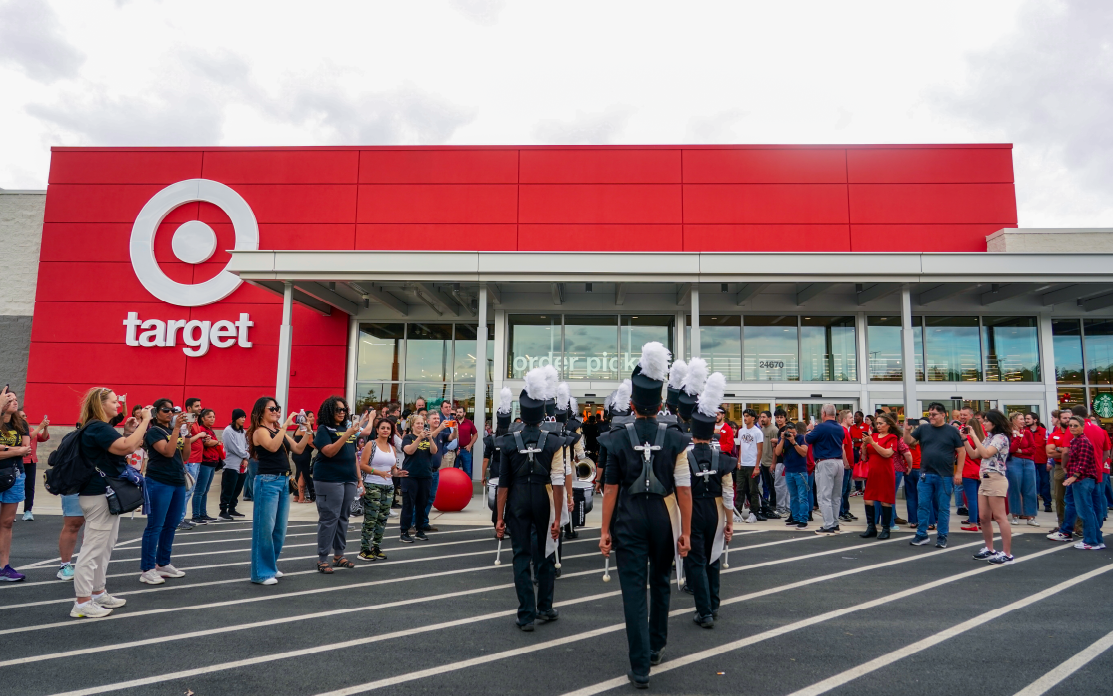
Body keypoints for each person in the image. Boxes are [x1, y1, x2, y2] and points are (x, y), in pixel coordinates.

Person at [597, 343, 692, 688]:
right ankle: (657, 646)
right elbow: (684, 489)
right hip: (665, 516)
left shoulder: (616, 438)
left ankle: (640, 667)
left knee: (634, 590)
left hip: (630, 516)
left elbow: (609, 489)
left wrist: (604, 530)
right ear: (660, 406)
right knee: (662, 582)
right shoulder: (677, 438)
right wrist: (687, 532)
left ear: (633, 405)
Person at [494, 368, 569, 632]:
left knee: (521, 555)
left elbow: (503, 483)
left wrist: (500, 517)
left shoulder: (508, 442)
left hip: (516, 500)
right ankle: (545, 607)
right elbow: (558, 481)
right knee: (547, 551)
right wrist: (558, 518)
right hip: (543, 499)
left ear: (522, 416)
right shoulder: (554, 442)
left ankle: (526, 614)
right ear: (541, 416)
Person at [71, 387, 149, 617]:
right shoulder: (97, 427)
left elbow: (119, 447)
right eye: (114, 402)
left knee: (104, 547)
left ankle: (97, 592)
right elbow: (128, 446)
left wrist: (129, 431)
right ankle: (82, 602)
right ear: (100, 404)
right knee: (93, 549)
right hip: (97, 495)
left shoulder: (101, 428)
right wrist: (145, 421)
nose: (119, 405)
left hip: (103, 494)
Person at [684, 372, 736, 628]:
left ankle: (703, 611)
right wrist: (730, 522)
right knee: (714, 557)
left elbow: (680, 488)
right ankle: (713, 606)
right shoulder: (722, 458)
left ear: (693, 434)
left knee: (696, 560)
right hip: (716, 509)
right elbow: (728, 493)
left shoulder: (684, 456)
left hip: (692, 509)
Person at [247, 396, 309, 585]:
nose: (276, 411)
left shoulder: (276, 430)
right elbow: (273, 447)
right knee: (264, 528)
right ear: (261, 412)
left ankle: (270, 565)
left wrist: (307, 430)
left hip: (282, 481)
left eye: (277, 408)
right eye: (271, 409)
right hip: (267, 481)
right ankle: (260, 573)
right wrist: (284, 426)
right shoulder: (259, 431)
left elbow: (298, 448)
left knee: (279, 529)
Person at [312, 396, 372, 574]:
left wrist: (359, 479)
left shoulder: (348, 428)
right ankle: (323, 558)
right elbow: (328, 451)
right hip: (329, 479)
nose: (342, 413)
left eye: (344, 410)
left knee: (344, 517)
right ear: (329, 411)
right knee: (329, 518)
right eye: (338, 410)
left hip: (349, 479)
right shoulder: (324, 429)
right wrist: (346, 435)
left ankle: (339, 555)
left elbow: (353, 456)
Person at [140, 399, 190, 585]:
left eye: (173, 410)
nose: (170, 413)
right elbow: (167, 452)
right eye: (165, 410)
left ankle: (163, 563)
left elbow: (184, 456)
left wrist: (186, 434)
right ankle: (147, 569)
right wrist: (177, 428)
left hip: (177, 481)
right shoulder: (154, 432)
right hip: (159, 481)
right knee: (155, 526)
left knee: (171, 524)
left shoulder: (172, 430)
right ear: (156, 413)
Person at [905, 402, 966, 549]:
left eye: (934, 414)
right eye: (929, 414)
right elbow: (908, 442)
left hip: (944, 476)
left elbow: (962, 451)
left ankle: (942, 536)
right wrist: (906, 430)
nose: (931, 417)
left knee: (943, 508)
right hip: (926, 474)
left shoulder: (952, 431)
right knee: (923, 506)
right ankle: (921, 534)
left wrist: (958, 473)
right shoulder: (924, 428)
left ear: (943, 415)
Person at [966, 409, 1015, 563]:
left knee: (1000, 517)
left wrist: (974, 435)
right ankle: (990, 549)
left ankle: (1007, 553)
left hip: (995, 478)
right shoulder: (990, 437)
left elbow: (986, 454)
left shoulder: (1001, 438)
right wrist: (964, 440)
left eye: (987, 421)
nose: (984, 423)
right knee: (984, 517)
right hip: (985, 479)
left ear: (995, 422)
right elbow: (975, 454)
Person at [359, 417, 404, 561]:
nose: (385, 430)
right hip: (372, 485)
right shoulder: (371, 445)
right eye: (382, 428)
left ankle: (376, 547)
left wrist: (398, 473)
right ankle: (364, 549)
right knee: (371, 519)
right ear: (377, 430)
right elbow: (363, 465)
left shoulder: (392, 448)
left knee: (382, 518)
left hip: (388, 486)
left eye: (388, 429)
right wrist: (379, 473)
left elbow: (393, 469)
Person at [1062, 416, 1105, 550]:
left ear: (1082, 426)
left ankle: (1091, 541)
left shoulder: (1083, 441)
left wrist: (1074, 476)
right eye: (1071, 426)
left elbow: (1083, 462)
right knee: (1088, 511)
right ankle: (1097, 540)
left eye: (1076, 425)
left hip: (1083, 480)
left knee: (1085, 512)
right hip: (1083, 480)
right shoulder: (1076, 440)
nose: (1073, 428)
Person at [806, 404, 849, 535]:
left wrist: (809, 429)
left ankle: (828, 524)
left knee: (824, 495)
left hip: (825, 462)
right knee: (836, 496)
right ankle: (835, 523)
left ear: (824, 413)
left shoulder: (821, 427)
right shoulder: (840, 428)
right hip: (838, 462)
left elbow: (808, 439)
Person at [0, 390, 29, 580]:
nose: (14, 402)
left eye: (16, 399)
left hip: (16, 475)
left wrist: (5, 449)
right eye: (9, 399)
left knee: (7, 522)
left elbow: (26, 450)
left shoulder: (21, 423)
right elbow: (20, 449)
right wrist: (15, 450)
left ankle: (4, 567)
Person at [859, 412, 900, 539]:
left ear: (888, 425)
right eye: (877, 423)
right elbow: (864, 456)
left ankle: (886, 528)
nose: (878, 426)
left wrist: (873, 443)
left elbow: (887, 453)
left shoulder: (892, 437)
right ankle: (871, 527)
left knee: (885, 501)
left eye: (881, 423)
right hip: (872, 471)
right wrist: (865, 445)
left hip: (885, 472)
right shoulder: (874, 435)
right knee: (868, 499)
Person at [399, 414, 437, 543]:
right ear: (413, 425)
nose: (420, 426)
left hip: (425, 475)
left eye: (422, 423)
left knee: (422, 504)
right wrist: (418, 439)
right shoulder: (408, 438)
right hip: (410, 475)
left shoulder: (427, 438)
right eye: (418, 424)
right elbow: (409, 451)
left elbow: (434, 451)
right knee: (408, 504)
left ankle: (420, 530)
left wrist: (430, 439)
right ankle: (404, 531)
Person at [419, 410, 456, 534]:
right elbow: (430, 438)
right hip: (425, 471)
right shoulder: (425, 433)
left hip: (435, 471)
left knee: (430, 498)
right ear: (428, 421)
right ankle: (415, 523)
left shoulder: (441, 434)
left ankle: (424, 522)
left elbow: (452, 437)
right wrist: (440, 428)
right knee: (421, 498)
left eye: (437, 418)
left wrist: (455, 429)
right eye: (434, 418)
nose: (436, 420)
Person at [178, 397, 207, 530]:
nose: (200, 408)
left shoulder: (194, 420)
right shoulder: (185, 422)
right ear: (189, 408)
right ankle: (179, 519)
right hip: (190, 461)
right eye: (197, 406)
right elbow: (184, 441)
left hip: (196, 460)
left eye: (200, 405)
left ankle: (181, 517)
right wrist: (200, 435)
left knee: (189, 491)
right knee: (187, 491)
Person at [775, 421, 809, 529]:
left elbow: (804, 452)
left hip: (800, 471)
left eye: (793, 433)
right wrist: (783, 439)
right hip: (789, 470)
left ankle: (803, 520)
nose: (791, 435)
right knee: (793, 496)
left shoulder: (801, 438)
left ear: (796, 432)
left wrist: (794, 442)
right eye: (789, 433)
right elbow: (777, 452)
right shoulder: (783, 438)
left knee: (802, 497)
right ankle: (795, 518)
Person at [1006, 412, 1038, 526]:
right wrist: (1017, 437)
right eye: (1020, 419)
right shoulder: (1009, 434)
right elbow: (1012, 449)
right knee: (1014, 489)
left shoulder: (1028, 433)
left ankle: (1031, 517)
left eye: (1023, 419)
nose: (1023, 421)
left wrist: (1022, 451)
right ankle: (1015, 515)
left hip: (1028, 462)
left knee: (1030, 489)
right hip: (1014, 462)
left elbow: (1033, 449)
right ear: (1013, 420)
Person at [191, 408, 222, 525]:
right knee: (200, 490)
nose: (212, 419)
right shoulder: (202, 430)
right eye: (209, 417)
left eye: (213, 417)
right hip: (204, 463)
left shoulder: (210, 430)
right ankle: (196, 515)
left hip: (212, 463)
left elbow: (212, 442)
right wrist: (216, 442)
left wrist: (215, 442)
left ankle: (203, 513)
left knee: (205, 490)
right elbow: (207, 443)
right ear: (202, 419)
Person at [17, 409, 48, 521]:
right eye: (21, 416)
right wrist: (40, 427)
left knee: (29, 487)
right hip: (19, 461)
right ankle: (11, 511)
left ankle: (28, 510)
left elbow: (43, 438)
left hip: (31, 462)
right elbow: (28, 437)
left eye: (25, 416)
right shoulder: (16, 430)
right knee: (15, 486)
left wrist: (45, 428)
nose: (24, 418)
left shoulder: (30, 429)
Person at [734, 408, 764, 522]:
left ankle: (754, 513)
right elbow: (741, 447)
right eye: (744, 416)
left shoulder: (757, 432)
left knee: (753, 490)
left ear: (753, 418)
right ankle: (737, 512)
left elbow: (760, 450)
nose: (745, 418)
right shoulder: (741, 431)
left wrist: (757, 466)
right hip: (743, 464)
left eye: (747, 416)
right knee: (740, 489)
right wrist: (739, 461)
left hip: (753, 464)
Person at [219, 409, 249, 520]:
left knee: (237, 488)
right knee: (228, 489)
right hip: (231, 465)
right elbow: (233, 448)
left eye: (244, 417)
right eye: (241, 417)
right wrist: (245, 455)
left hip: (242, 465)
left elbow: (248, 446)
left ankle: (232, 509)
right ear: (235, 418)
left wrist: (246, 458)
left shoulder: (243, 432)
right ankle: (223, 511)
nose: (243, 419)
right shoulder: (228, 431)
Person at [1046, 409, 1073, 526]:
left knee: (1076, 498)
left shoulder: (1076, 433)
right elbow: (1049, 453)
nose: (1067, 420)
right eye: (1064, 418)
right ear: (1059, 419)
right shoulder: (1054, 435)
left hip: (1074, 467)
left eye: (1069, 418)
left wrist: (1058, 449)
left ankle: (1078, 527)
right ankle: (1062, 525)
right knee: (1059, 497)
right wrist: (1065, 451)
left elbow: (1077, 452)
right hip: (1059, 467)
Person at [958, 416, 985, 532]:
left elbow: (962, 452)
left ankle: (973, 522)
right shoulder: (983, 438)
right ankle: (980, 520)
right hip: (980, 469)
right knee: (980, 498)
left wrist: (962, 438)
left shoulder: (967, 439)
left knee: (971, 499)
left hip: (968, 470)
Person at [1027, 413, 1051, 513]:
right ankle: (1034, 505)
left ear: (1035, 420)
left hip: (1042, 461)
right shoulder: (1024, 432)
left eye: (1028, 418)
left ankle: (1047, 504)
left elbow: (1049, 447)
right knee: (1032, 483)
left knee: (1045, 482)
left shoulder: (1045, 432)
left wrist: (1049, 461)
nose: (1026, 420)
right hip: (1030, 461)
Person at [292, 410, 317, 503]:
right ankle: (302, 498)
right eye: (310, 416)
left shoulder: (302, 428)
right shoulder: (305, 428)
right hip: (303, 454)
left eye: (313, 416)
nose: (313, 418)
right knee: (303, 474)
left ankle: (297, 496)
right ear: (305, 418)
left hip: (298, 454)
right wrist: (322, 448)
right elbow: (310, 442)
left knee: (299, 473)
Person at [772, 409, 790, 516]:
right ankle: (786, 507)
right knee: (786, 486)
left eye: (781, 417)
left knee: (779, 485)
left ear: (785, 418)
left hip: (782, 462)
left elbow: (781, 447)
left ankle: (781, 508)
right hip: (785, 462)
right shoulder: (781, 430)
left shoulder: (783, 430)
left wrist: (776, 441)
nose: (779, 419)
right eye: (777, 417)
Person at [455, 404, 479, 478]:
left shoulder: (469, 423)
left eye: (460, 412)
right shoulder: (453, 422)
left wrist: (470, 445)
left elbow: (475, 434)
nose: (458, 414)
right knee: (454, 471)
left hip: (466, 450)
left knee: (467, 472)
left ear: (464, 413)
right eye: (457, 412)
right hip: (455, 450)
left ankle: (468, 488)